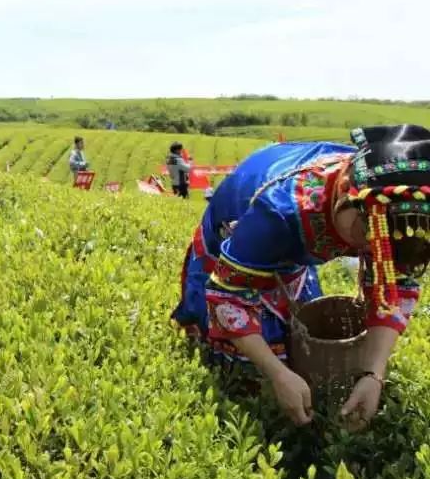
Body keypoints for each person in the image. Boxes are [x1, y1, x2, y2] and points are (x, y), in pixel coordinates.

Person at [172, 126, 430, 430]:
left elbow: (395, 288)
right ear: (344, 188)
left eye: (383, 243)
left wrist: (374, 375)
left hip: (297, 236)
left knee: (297, 327)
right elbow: (228, 295)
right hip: (239, 226)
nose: (369, 250)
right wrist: (277, 374)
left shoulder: (391, 207)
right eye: (364, 233)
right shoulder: (279, 211)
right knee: (248, 373)